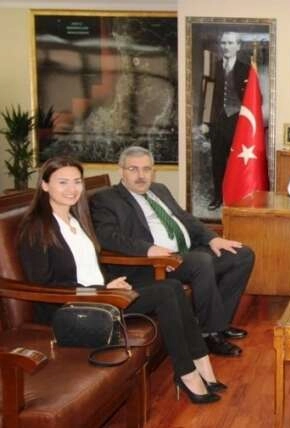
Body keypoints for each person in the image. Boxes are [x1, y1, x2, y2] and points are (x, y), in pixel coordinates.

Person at [17, 157, 225, 404]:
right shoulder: (36, 227)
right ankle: (187, 374)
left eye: (77, 182)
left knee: (172, 287)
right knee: (166, 292)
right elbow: (43, 284)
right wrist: (101, 289)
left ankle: (201, 364)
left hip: (99, 296)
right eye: (62, 182)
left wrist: (110, 282)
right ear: (44, 185)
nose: (71, 189)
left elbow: (90, 266)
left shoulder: (76, 219)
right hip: (71, 309)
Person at [90, 146, 254, 357]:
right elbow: (108, 236)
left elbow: (185, 219)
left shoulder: (159, 189)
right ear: (121, 171)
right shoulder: (106, 199)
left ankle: (219, 323)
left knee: (242, 255)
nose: (141, 175)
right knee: (201, 262)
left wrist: (213, 238)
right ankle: (209, 334)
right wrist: (148, 249)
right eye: (133, 169)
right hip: (152, 265)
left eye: (146, 169)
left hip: (185, 253)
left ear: (153, 171)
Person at [202, 31, 250, 210]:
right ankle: (218, 197)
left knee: (238, 162)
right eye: (224, 43)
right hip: (217, 123)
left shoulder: (246, 69)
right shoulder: (213, 68)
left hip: (238, 123)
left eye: (230, 43)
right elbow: (207, 95)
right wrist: (205, 122)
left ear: (238, 46)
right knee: (218, 162)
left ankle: (237, 198)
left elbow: (255, 98)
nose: (226, 46)